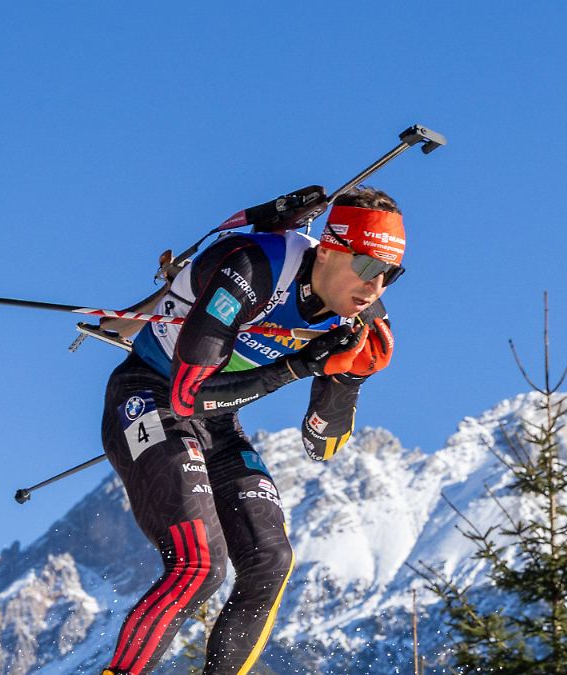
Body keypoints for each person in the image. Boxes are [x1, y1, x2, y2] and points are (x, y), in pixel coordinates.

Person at [100, 186, 403, 675]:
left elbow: (321, 444)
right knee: (201, 565)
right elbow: (186, 397)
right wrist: (296, 368)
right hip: (150, 392)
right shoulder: (253, 270)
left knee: (271, 561)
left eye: (391, 274)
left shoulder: (359, 318)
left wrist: (350, 377)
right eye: (367, 265)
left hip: (218, 422)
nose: (376, 286)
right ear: (327, 249)